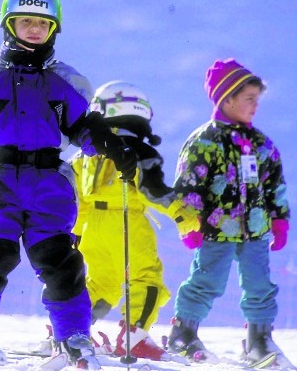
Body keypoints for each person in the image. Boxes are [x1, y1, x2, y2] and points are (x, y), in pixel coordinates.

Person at [0, 0, 136, 368]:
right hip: (0, 178)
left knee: (59, 259)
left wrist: (107, 142)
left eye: (43, 23)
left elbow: (82, 128)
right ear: (8, 24)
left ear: (54, 29)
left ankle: (73, 336)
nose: (34, 29)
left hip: (50, 180)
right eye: (26, 21)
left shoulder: (68, 81)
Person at [165, 58, 291, 366]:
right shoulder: (204, 142)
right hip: (216, 229)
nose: (254, 106)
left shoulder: (262, 144)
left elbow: (275, 184)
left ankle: (259, 339)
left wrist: (279, 220)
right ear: (227, 98)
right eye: (249, 99)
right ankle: (183, 332)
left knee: (260, 284)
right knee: (206, 281)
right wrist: (190, 225)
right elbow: (187, 188)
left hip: (256, 230)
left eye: (257, 100)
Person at [67, 81, 200, 361]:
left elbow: (76, 198)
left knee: (102, 283)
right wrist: (183, 214)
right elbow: (152, 191)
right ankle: (135, 336)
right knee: (145, 279)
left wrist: (75, 232)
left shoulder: (85, 154)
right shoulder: (138, 149)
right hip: (127, 221)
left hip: (93, 226)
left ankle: (70, 329)